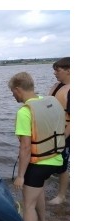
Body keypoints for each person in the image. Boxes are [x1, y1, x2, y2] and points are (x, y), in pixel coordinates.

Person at [8, 72, 66, 221]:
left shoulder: (25, 112)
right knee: (38, 191)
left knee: (28, 206)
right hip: (57, 159)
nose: (13, 96)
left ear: (18, 89)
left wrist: (20, 176)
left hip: (39, 164)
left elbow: (25, 148)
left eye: (12, 92)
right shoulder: (50, 101)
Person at [47, 57, 70, 205]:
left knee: (63, 165)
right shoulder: (56, 86)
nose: (55, 73)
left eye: (58, 70)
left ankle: (61, 196)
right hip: (52, 131)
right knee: (50, 161)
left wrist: (63, 138)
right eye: (54, 70)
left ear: (69, 70)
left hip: (65, 134)